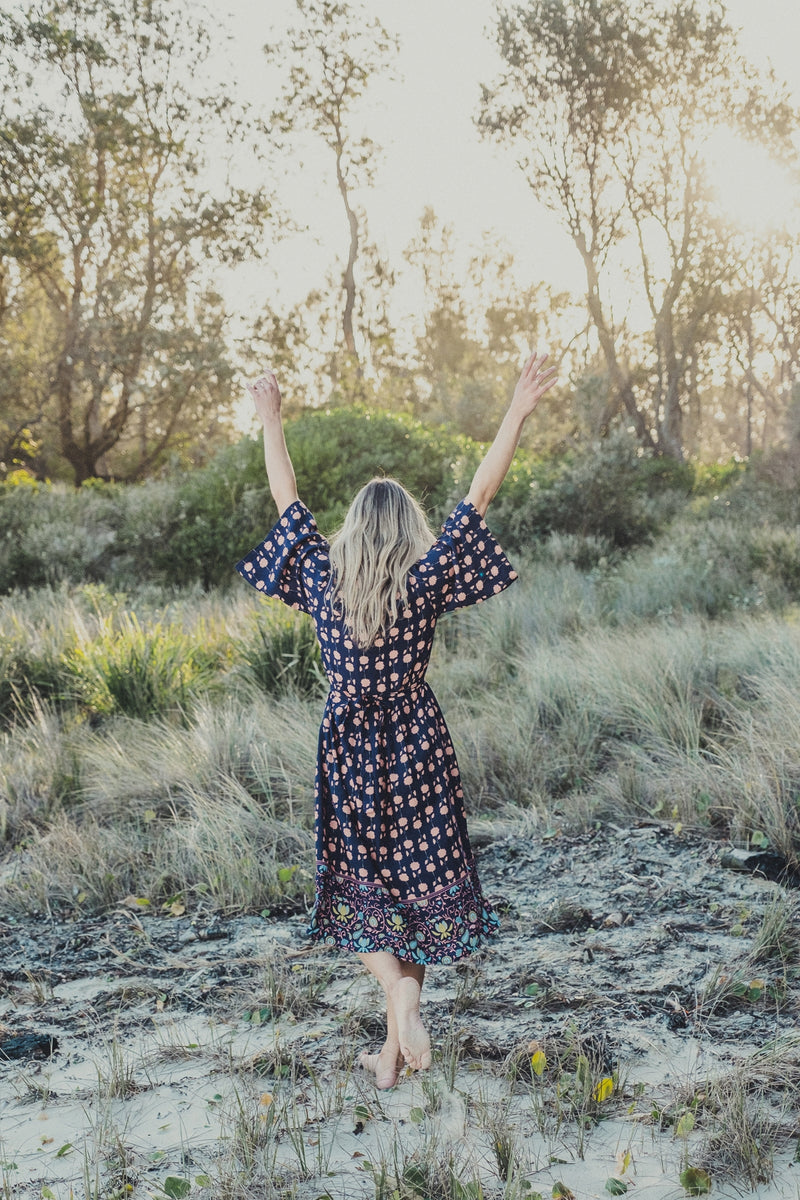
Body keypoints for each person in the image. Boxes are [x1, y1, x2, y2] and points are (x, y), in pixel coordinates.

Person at [235, 352, 558, 1089]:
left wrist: (271, 420)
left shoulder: (321, 573)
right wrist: (516, 410)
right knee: (413, 889)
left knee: (358, 893)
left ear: (352, 527)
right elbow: (480, 492)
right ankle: (399, 1027)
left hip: (349, 749)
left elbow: (285, 497)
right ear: (408, 528)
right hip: (417, 744)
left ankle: (394, 1029)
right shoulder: (426, 578)